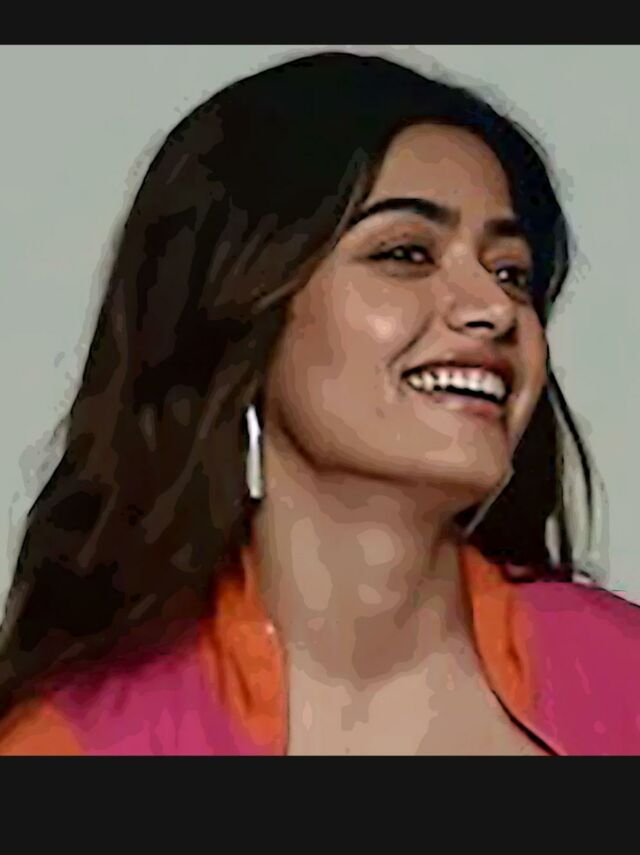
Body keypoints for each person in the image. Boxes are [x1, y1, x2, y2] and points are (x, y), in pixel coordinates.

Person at [1, 50, 639, 756]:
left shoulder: (624, 675)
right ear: (241, 314)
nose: (495, 306)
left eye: (511, 271)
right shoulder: (81, 743)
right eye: (406, 253)